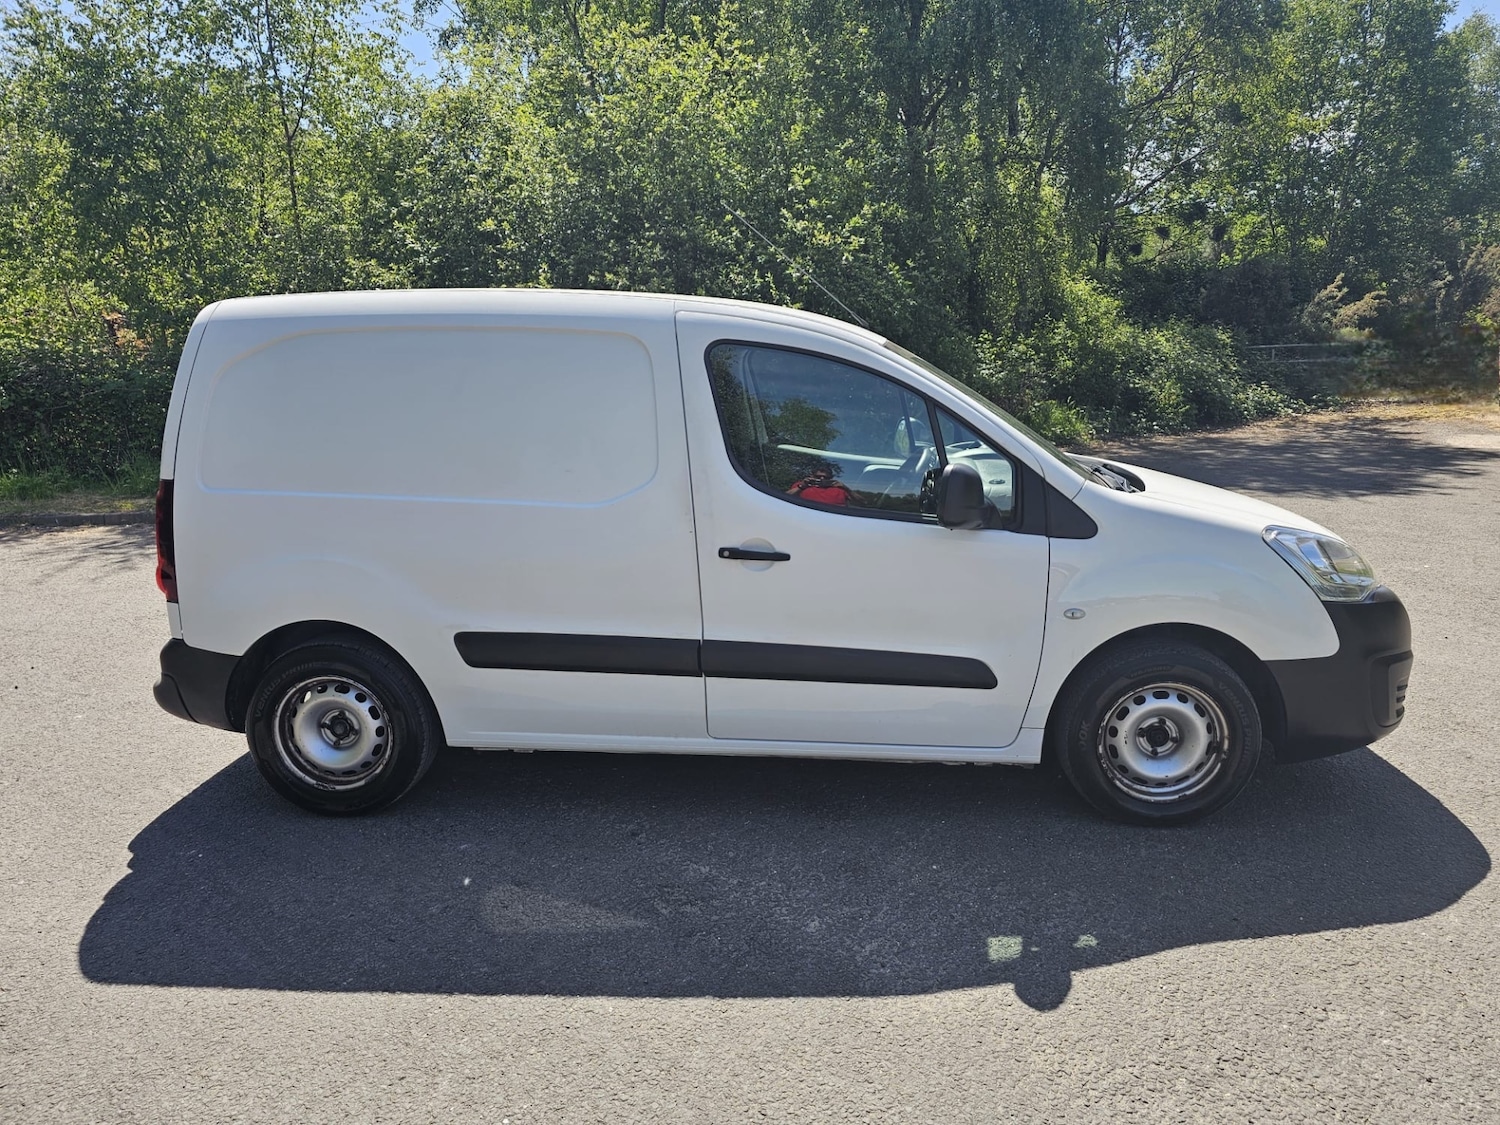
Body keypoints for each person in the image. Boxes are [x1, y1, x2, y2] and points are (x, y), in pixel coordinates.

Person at [786, 461, 857, 506]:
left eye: (826, 477)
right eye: (818, 476)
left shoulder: (840, 489)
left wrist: (846, 489)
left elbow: (862, 503)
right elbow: (785, 499)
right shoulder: (802, 486)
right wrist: (801, 487)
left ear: (831, 478)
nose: (822, 479)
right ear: (811, 476)